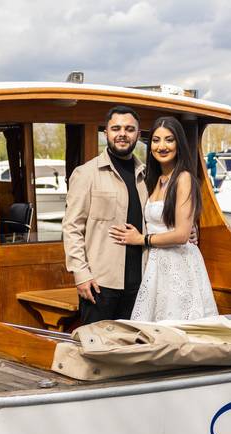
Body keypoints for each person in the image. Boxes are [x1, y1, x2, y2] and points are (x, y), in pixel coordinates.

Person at [108, 116, 218, 322]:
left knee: (176, 325)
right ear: (150, 147)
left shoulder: (184, 178)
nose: (162, 146)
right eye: (156, 140)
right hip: (156, 264)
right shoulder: (154, 179)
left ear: (179, 144)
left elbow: (181, 235)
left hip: (179, 265)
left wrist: (142, 239)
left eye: (169, 140)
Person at [62, 106, 148, 324]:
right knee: (96, 349)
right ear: (106, 133)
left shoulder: (147, 175)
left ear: (138, 135)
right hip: (100, 284)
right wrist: (81, 274)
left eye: (129, 129)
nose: (122, 134)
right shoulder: (86, 174)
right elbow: (72, 227)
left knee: (132, 351)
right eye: (116, 128)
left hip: (141, 283)